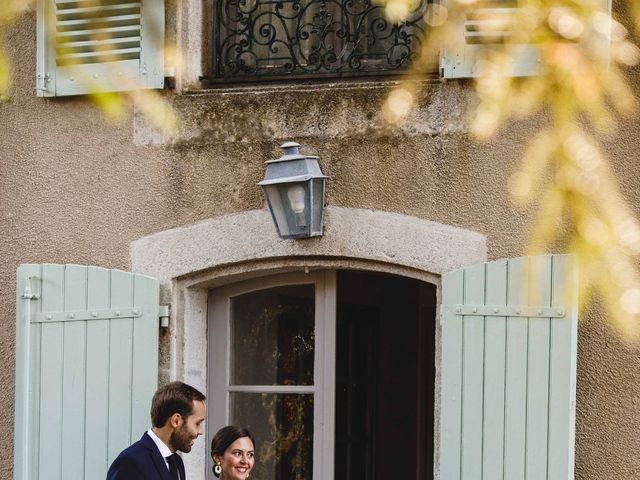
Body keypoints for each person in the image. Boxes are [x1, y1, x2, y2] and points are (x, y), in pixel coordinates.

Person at [107, 381, 206, 480]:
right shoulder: (130, 462)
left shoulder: (177, 462)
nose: (200, 431)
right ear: (176, 421)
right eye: (197, 423)